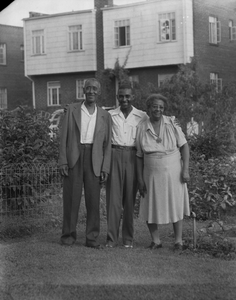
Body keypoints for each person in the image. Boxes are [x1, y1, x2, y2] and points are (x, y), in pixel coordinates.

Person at [58, 78, 112, 249]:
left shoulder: (105, 115)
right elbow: (63, 137)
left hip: (94, 159)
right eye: (88, 88)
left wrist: (105, 167)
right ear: (83, 90)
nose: (91, 91)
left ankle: (92, 238)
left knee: (93, 200)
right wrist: (63, 161)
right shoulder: (72, 110)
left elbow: (108, 144)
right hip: (74, 156)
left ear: (99, 92)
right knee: (71, 199)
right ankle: (68, 236)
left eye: (94, 89)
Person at [136, 93, 190, 250]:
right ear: (148, 109)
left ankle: (178, 241)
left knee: (176, 203)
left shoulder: (172, 124)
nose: (158, 110)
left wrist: (185, 170)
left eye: (161, 107)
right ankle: (156, 241)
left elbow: (184, 146)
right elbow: (139, 156)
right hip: (150, 173)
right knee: (149, 204)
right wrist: (140, 179)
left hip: (173, 172)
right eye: (154, 106)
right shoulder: (141, 127)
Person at [106, 81, 148, 248]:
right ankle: (111, 238)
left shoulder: (142, 115)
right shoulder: (109, 115)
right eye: (121, 96)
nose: (124, 99)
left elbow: (159, 119)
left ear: (133, 97)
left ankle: (128, 239)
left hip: (133, 156)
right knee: (113, 200)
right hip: (114, 155)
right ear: (117, 97)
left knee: (130, 200)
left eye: (127, 96)